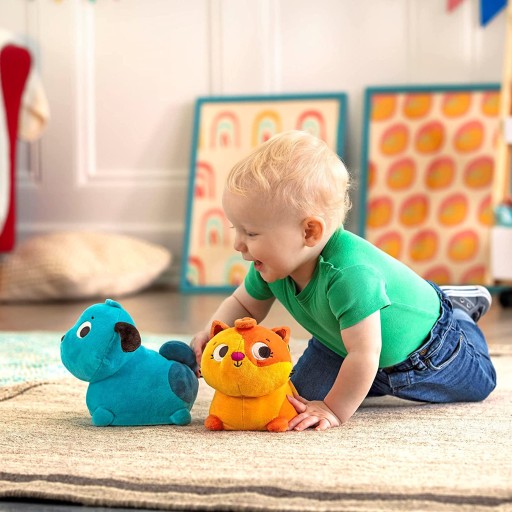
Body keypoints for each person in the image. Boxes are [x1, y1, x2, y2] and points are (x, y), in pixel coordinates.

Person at [190, 130, 497, 431]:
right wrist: (213, 335)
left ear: (309, 232)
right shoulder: (270, 266)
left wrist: (334, 409)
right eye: (236, 229)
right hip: (338, 345)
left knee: (482, 382)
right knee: (294, 403)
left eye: (251, 233)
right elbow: (244, 304)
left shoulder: (349, 275)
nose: (238, 244)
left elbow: (365, 353)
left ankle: (458, 313)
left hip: (428, 349)